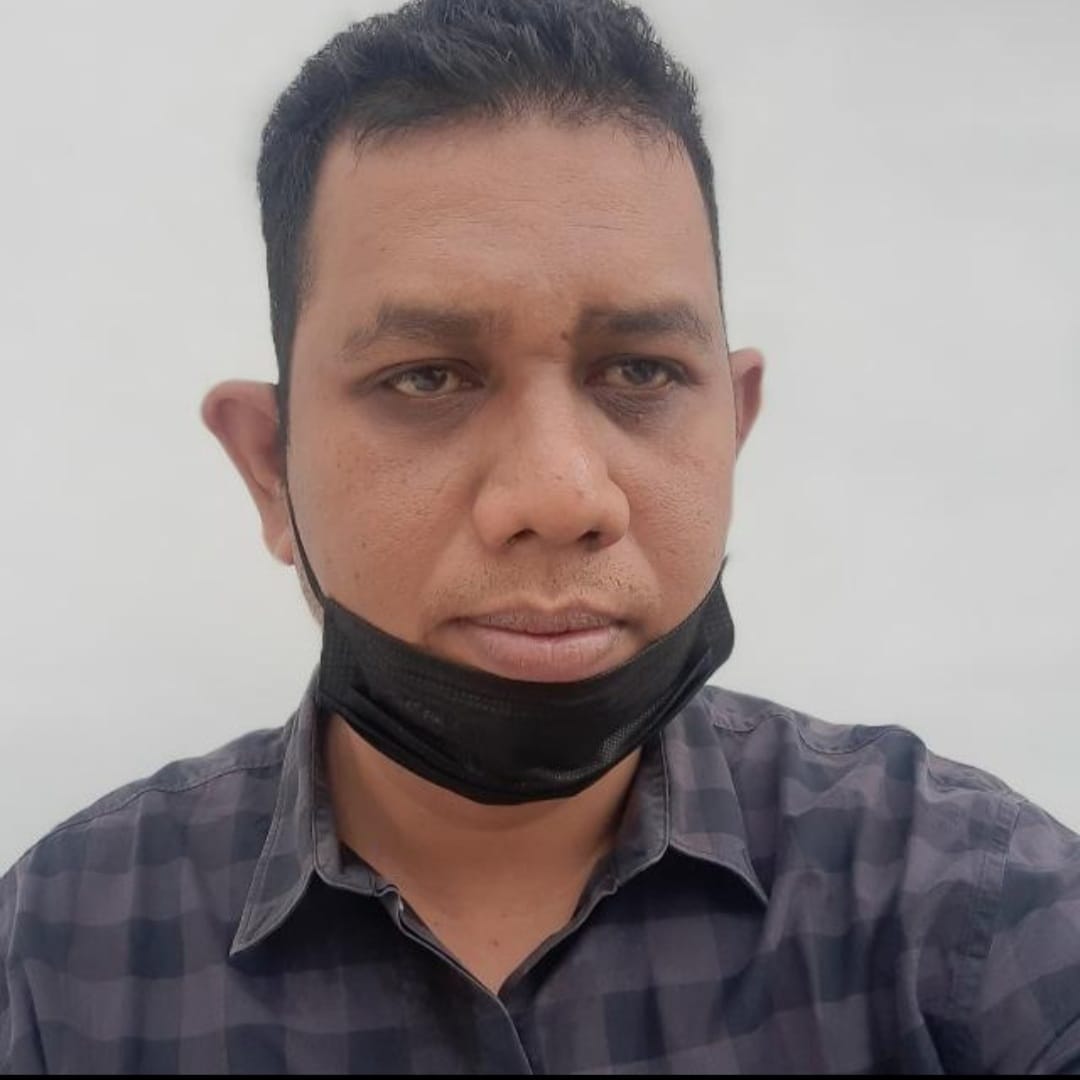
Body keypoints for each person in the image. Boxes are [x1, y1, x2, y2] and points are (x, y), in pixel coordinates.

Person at [2, 0, 1078, 1072]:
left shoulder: (975, 914)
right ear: (269, 467)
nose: (562, 499)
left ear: (732, 428)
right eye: (427, 377)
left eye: (641, 372)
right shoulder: (54, 965)